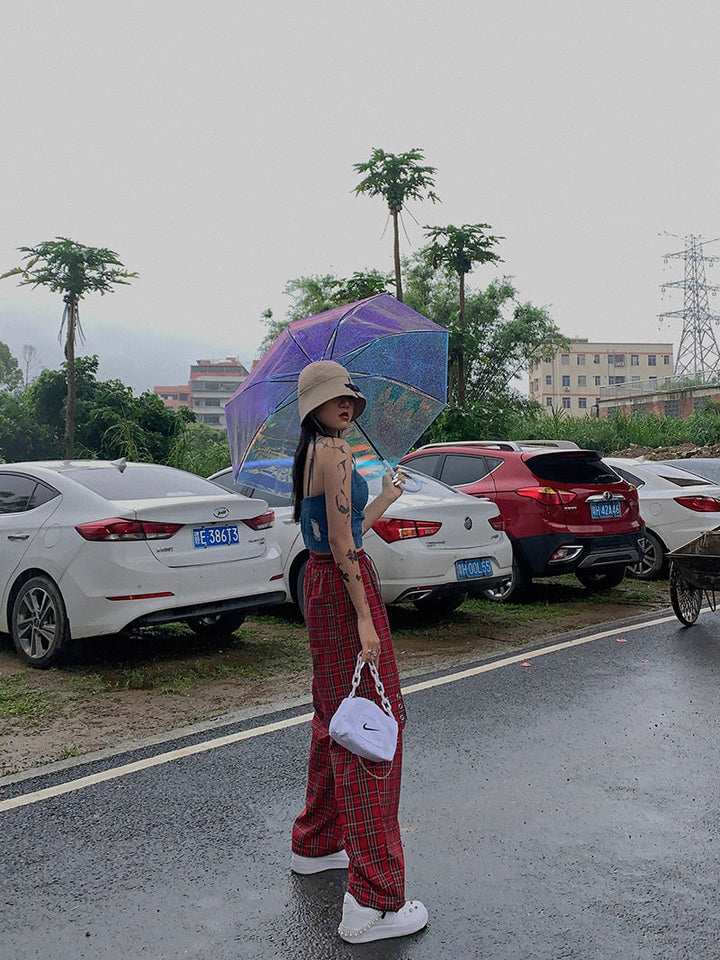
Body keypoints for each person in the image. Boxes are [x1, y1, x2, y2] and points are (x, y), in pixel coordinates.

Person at [289, 360, 428, 944]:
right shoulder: (338, 455)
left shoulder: (312, 454)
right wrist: (368, 619)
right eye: (332, 397)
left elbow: (338, 533)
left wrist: (386, 499)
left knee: (334, 717)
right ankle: (373, 901)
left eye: (349, 396)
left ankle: (317, 842)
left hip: (321, 585)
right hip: (346, 590)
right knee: (373, 727)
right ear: (311, 406)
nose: (345, 404)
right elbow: (347, 548)